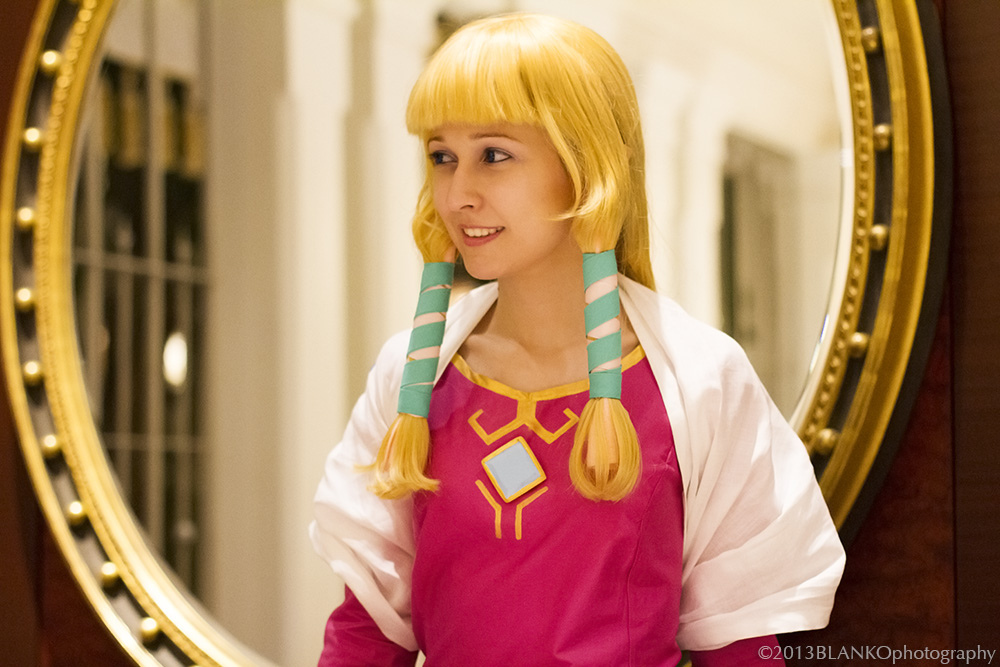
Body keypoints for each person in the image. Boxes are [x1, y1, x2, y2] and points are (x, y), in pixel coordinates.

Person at [310, 12, 845, 666]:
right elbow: (366, 635)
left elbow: (739, 646)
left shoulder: (701, 379)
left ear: (586, 166)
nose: (457, 194)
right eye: (442, 157)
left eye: (493, 155)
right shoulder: (409, 377)